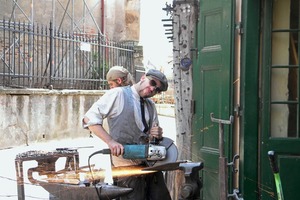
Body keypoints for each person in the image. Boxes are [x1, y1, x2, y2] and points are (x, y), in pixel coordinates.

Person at [83, 69, 171, 200]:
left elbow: (152, 137)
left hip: (149, 167)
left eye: (157, 89)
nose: (152, 89)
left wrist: (156, 134)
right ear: (143, 78)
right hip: (126, 168)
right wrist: (110, 142)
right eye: (152, 82)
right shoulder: (118, 94)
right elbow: (89, 119)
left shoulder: (151, 105)